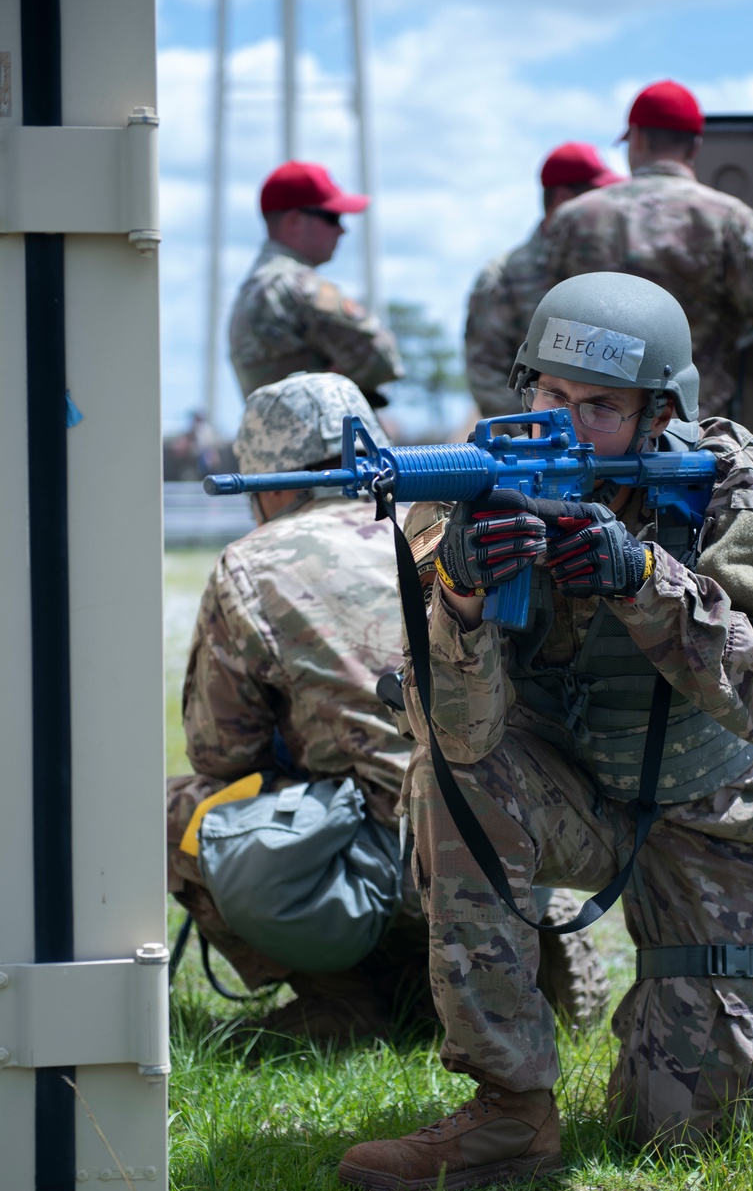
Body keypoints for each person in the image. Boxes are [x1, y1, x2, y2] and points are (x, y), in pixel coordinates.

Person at [338, 272, 753, 1191]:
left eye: (600, 408)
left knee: (681, 1131)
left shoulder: (730, 481)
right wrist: (463, 598)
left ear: (659, 417)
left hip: (716, 811)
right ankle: (509, 1110)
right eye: (551, 397)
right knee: (452, 779)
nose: (564, 425)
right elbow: (456, 733)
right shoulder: (462, 495)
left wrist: (643, 577)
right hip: (571, 791)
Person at [167, 372, 609, 1043]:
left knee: (176, 815)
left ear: (271, 482)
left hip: (367, 871)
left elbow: (222, 754)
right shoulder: (435, 523)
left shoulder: (251, 564)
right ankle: (494, 948)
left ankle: (343, 995)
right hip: (497, 835)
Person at [544, 80, 753, 419]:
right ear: (695, 147)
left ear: (636, 137)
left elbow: (538, 324)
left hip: (588, 429)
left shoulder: (571, 219)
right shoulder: (728, 220)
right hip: (687, 435)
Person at [465, 143, 623, 419]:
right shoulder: (504, 278)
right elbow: (487, 375)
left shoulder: (610, 268)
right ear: (563, 200)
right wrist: (534, 438)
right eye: (600, 197)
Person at [229, 161, 403, 406]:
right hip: (324, 442)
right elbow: (384, 360)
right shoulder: (297, 286)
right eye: (332, 217)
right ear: (294, 221)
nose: (342, 230)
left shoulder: (251, 288)